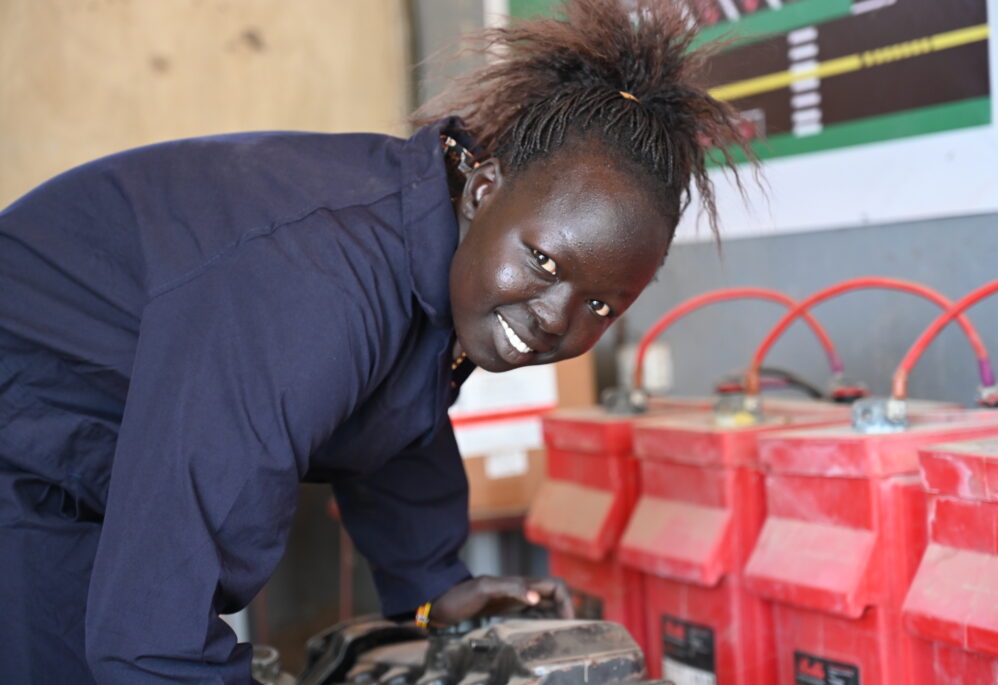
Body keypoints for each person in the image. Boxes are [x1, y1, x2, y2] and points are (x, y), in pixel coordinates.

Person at [0, 0, 749, 682]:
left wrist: (432, 588)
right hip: (26, 445)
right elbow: (153, 637)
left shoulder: (426, 231)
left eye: (600, 302)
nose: (558, 316)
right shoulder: (314, 287)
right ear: (485, 189)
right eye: (545, 261)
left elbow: (393, 403)